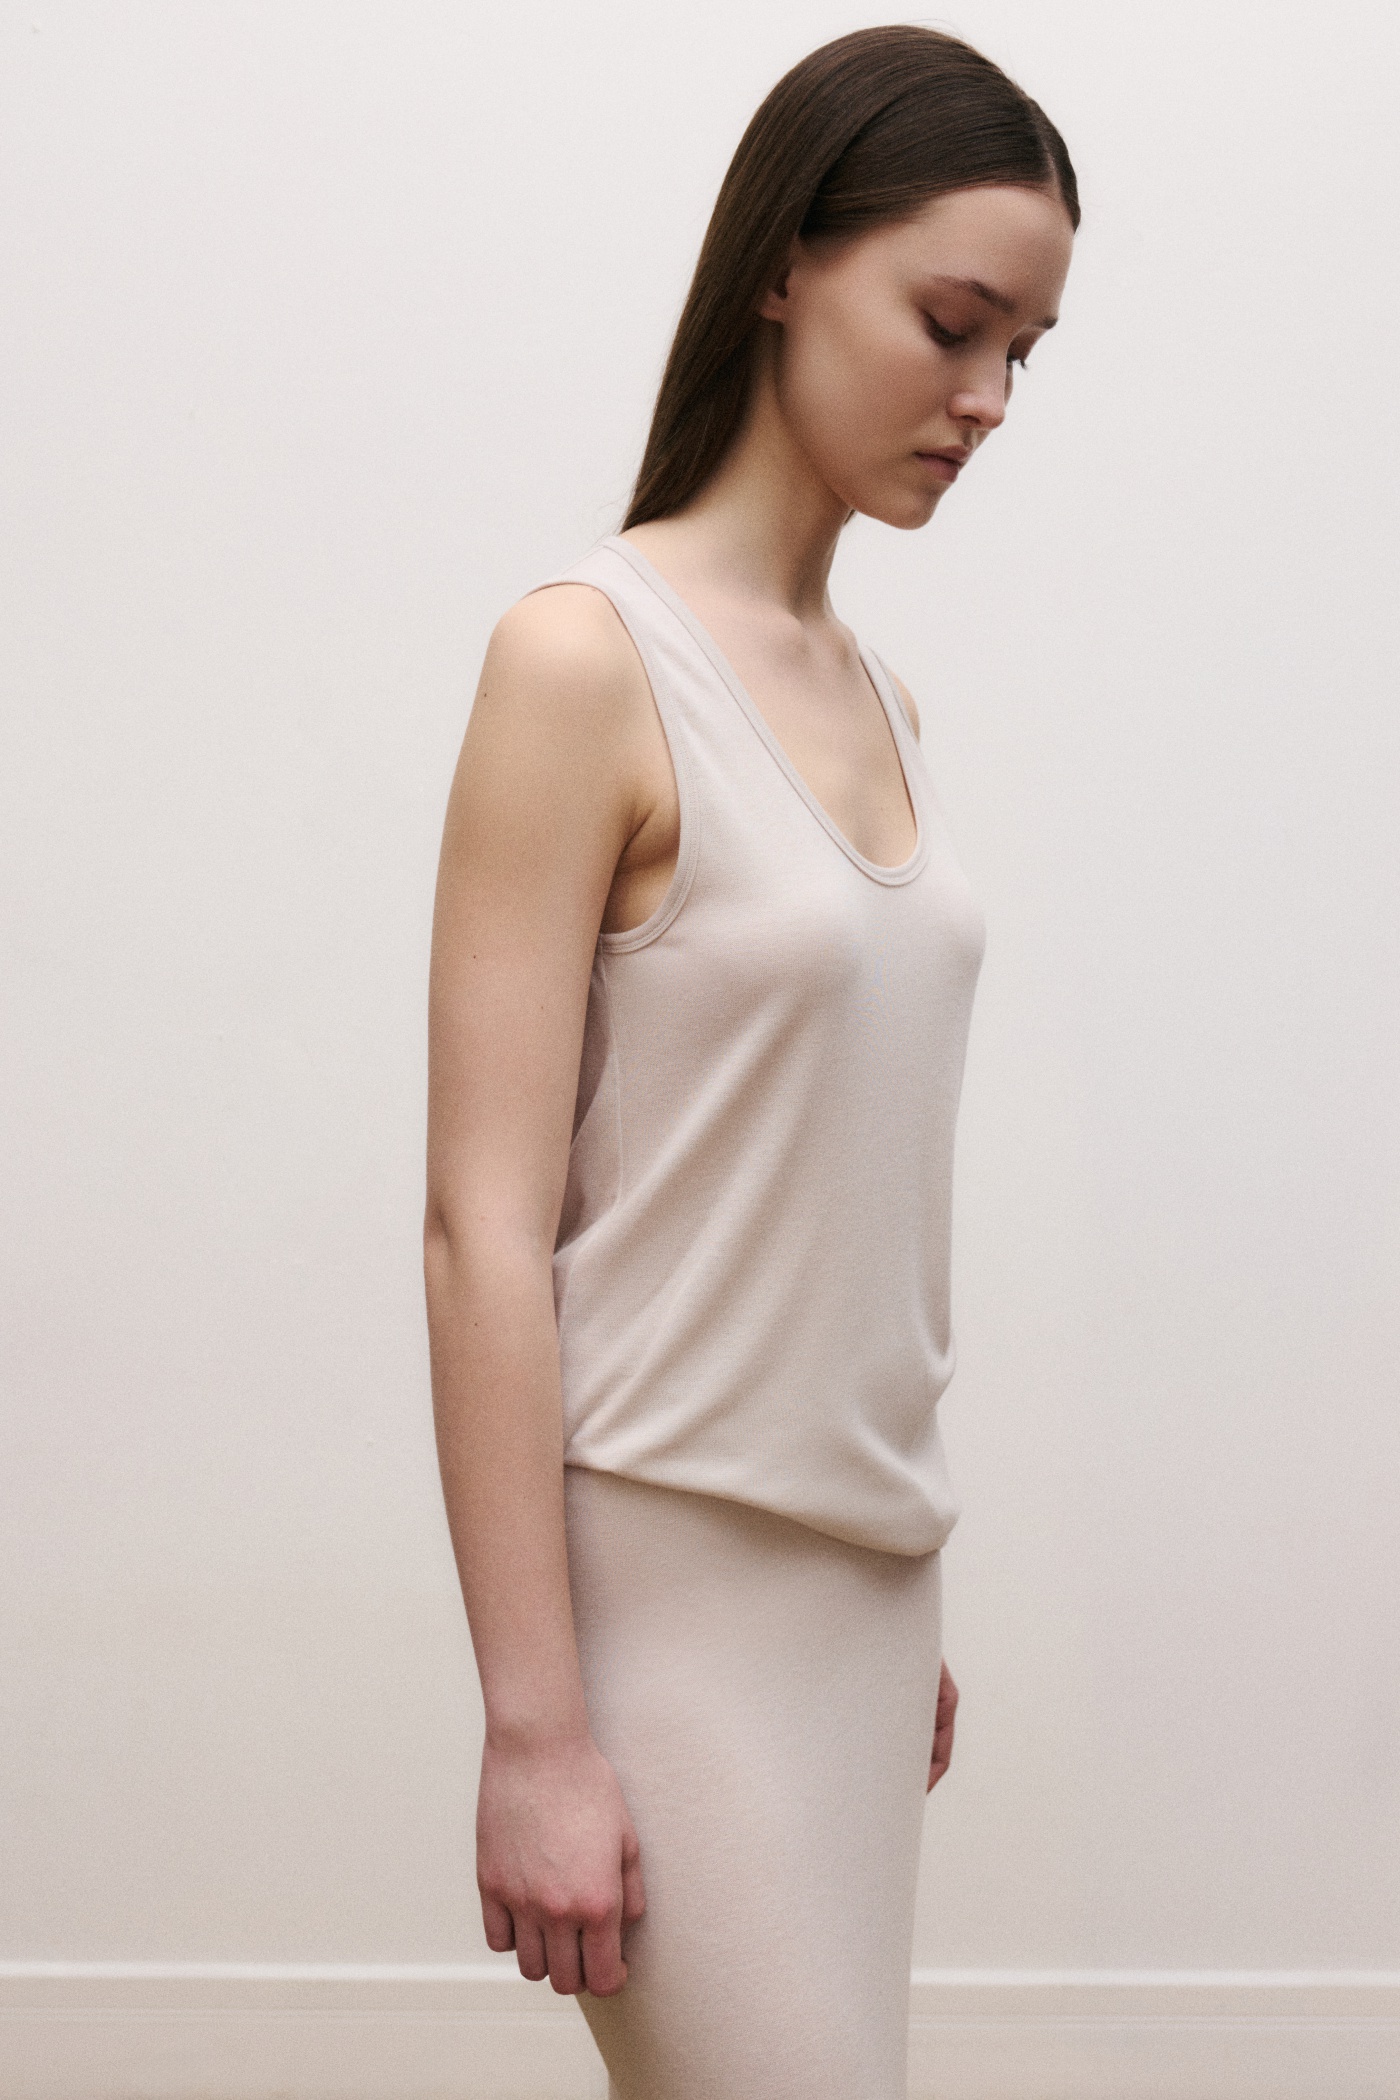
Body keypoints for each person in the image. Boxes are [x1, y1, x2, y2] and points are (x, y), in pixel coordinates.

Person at [424, 23, 1077, 2098]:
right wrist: (536, 1727)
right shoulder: (582, 660)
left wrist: (890, 1557)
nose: (986, 401)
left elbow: (832, 1188)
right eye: (952, 325)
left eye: (1025, 354)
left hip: (868, 1596)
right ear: (786, 262)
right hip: (663, 1603)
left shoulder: (884, 702)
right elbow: (481, 1230)